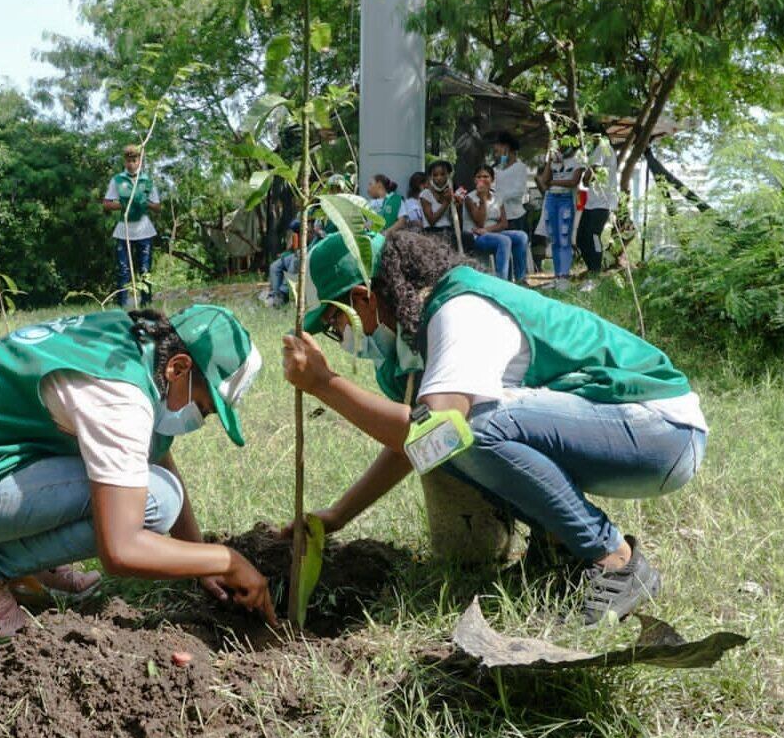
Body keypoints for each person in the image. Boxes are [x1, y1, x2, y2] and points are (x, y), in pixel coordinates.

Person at [281, 230, 708, 624]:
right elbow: (410, 446)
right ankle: (559, 554)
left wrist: (324, 384)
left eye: (335, 323)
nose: (339, 336)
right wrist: (337, 516)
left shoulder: (459, 311)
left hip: (659, 429)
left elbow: (438, 433)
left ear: (362, 298)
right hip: (613, 432)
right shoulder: (407, 349)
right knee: (449, 438)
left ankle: (613, 559)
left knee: (466, 429)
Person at [0, 305, 274, 637]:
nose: (200, 420)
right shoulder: (120, 396)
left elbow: (153, 453)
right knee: (154, 501)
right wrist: (226, 560)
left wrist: (199, 560)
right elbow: (122, 549)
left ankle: (30, 567)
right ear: (179, 367)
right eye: (205, 408)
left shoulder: (140, 344)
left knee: (151, 487)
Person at [102, 144, 162, 308]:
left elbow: (158, 207)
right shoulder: (117, 180)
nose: (131, 164)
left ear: (139, 161)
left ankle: (146, 304)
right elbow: (106, 204)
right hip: (124, 232)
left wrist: (143, 203)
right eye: (128, 161)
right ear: (124, 161)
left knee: (145, 270)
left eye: (134, 160)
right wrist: (123, 204)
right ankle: (122, 305)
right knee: (123, 271)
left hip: (144, 231)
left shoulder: (147, 181)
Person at [465, 165, 533, 281]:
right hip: (475, 236)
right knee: (504, 240)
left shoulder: (497, 197)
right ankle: (502, 281)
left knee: (521, 236)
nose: (482, 179)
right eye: (479, 177)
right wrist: (482, 199)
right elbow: (480, 223)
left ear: (492, 179)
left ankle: (521, 278)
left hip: (491, 232)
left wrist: (487, 230)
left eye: (486, 176)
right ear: (474, 180)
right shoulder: (470, 198)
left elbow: (504, 223)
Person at [537, 141, 586, 290]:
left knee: (564, 239)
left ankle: (564, 276)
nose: (562, 147)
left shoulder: (578, 161)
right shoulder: (555, 161)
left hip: (565, 200)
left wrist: (553, 181)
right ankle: (557, 276)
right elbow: (544, 181)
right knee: (555, 240)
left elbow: (573, 182)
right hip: (551, 199)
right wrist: (549, 161)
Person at [577, 126, 619, 291]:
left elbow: (590, 173)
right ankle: (591, 270)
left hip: (604, 202)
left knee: (593, 235)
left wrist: (586, 178)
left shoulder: (603, 145)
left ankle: (595, 273)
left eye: (587, 134)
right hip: (592, 202)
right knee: (581, 237)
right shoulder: (595, 149)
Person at [491, 133, 539, 251]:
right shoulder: (495, 169)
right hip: (499, 217)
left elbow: (519, 191)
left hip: (515, 217)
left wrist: (500, 197)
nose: (496, 153)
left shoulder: (520, 167)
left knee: (517, 249)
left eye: (499, 149)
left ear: (507, 148)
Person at [266, 212, 323, 308]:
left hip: (314, 251)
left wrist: (319, 232)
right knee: (275, 267)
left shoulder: (327, 217)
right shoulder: (313, 209)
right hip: (303, 250)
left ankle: (283, 294)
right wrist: (306, 220)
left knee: (297, 259)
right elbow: (293, 225)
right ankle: (276, 295)